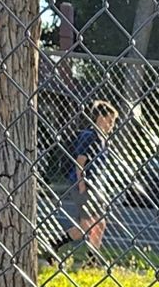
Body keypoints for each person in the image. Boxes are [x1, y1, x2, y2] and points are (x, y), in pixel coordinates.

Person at [46, 99, 119, 263]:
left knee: (100, 223)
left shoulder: (102, 139)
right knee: (86, 225)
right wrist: (81, 186)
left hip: (95, 186)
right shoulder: (89, 137)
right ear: (101, 117)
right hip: (84, 185)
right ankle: (55, 245)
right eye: (110, 121)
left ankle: (93, 259)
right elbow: (80, 163)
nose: (112, 125)